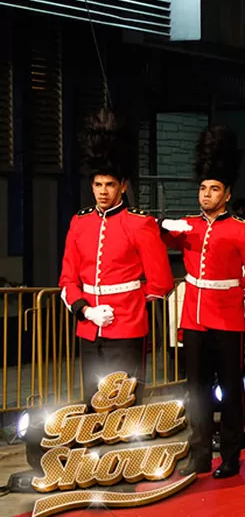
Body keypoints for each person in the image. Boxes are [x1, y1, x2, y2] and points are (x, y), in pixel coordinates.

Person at [158, 126, 245, 478]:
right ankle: (200, 454)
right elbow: (159, 242)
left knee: (231, 390)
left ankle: (231, 455)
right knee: (196, 390)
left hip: (227, 317)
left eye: (214, 189)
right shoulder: (187, 226)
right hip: (194, 318)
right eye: (203, 189)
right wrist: (163, 225)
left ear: (227, 193)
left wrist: (244, 287)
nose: (206, 194)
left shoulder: (239, 229)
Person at [59, 110, 174, 399]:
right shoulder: (79, 222)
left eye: (109, 185)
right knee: (91, 405)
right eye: (98, 184)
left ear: (122, 186)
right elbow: (67, 280)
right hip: (88, 328)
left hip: (127, 329)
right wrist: (87, 310)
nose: (102, 191)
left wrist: (131, 301)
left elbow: (161, 282)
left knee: (124, 405)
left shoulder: (140, 223)